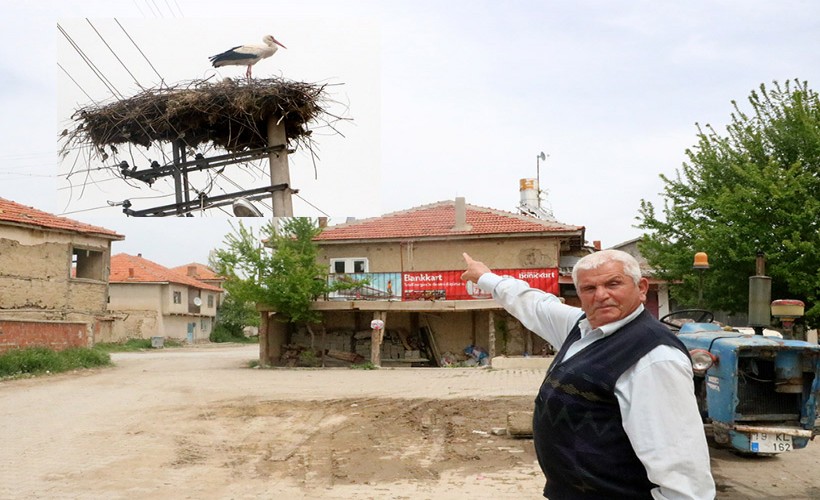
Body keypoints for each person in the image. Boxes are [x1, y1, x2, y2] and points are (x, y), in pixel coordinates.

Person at [461, 250, 715, 499]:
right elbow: (533, 304)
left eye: (613, 284)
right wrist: (484, 276)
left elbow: (681, 467)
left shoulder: (654, 358)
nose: (601, 295)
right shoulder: (583, 328)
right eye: (589, 289)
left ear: (641, 288)